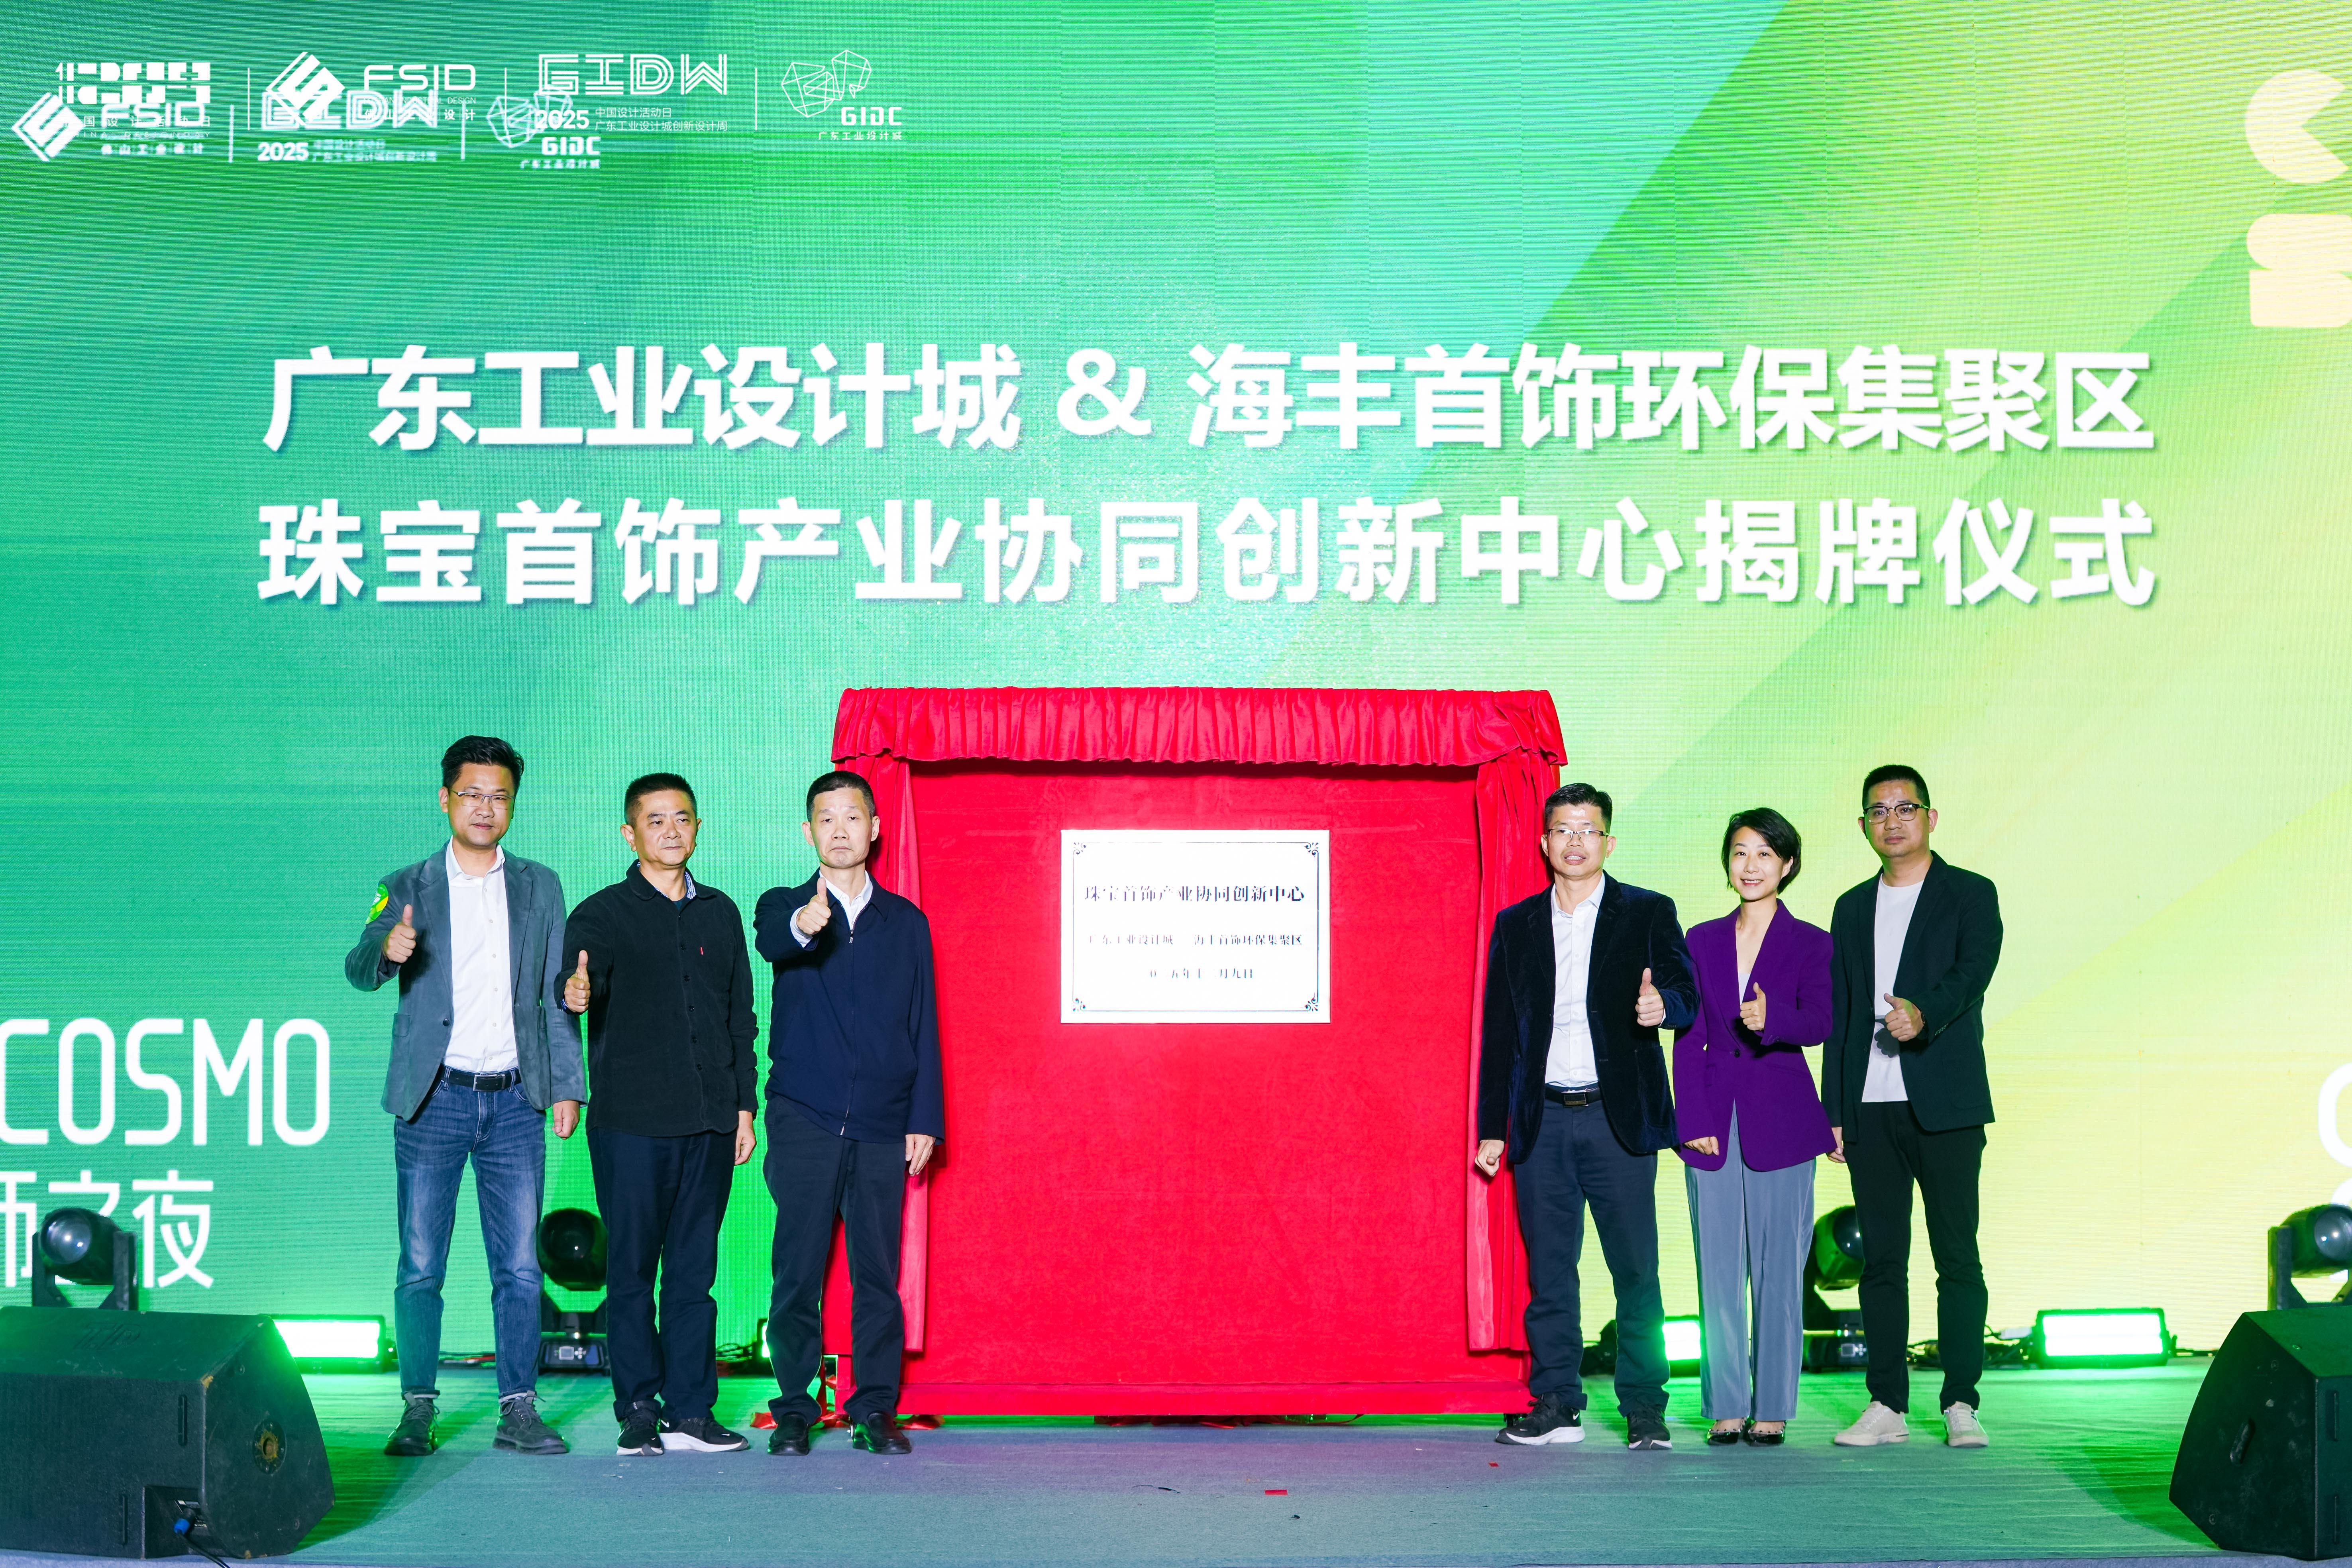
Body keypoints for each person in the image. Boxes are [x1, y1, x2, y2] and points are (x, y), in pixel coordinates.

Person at [344, 735, 581, 1459]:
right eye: (472, 794)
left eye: (499, 797)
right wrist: (386, 953)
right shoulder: (404, 884)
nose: (485, 808)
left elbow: (557, 995)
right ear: (445, 799)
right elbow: (357, 967)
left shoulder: (541, 886)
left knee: (520, 1268)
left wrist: (566, 1086)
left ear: (513, 806)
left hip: (516, 1101)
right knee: (421, 1265)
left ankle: (519, 1408)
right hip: (434, 1098)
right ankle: (417, 1408)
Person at [1476, 782, 1698, 1450]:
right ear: (1544, 843)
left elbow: (1686, 994)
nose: (1575, 843)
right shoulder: (1516, 923)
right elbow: (1498, 1033)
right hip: (1541, 1120)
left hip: (1615, 1119)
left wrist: (1665, 1008)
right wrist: (1492, 1126)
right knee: (1549, 1273)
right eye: (1563, 831)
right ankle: (1557, 1403)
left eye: (1588, 830)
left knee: (1635, 1272)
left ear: (1608, 842)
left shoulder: (1647, 911)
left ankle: (1644, 1408)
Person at [564, 773, 759, 1458]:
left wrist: (744, 1108)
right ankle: (638, 1410)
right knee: (631, 1275)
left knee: (693, 1276)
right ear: (630, 834)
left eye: (682, 818)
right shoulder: (601, 913)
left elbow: (740, 1017)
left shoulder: (721, 912)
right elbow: (576, 982)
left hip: (711, 1122)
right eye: (655, 820)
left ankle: (692, 1412)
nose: (671, 830)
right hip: (632, 1126)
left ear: (698, 827)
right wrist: (574, 991)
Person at [752, 770, 944, 1458]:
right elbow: (776, 939)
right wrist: (805, 924)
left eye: (852, 817)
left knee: (877, 1276)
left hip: (883, 1124)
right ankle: (794, 1408)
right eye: (826, 818)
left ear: (875, 829)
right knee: (796, 1272)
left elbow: (924, 1023)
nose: (839, 830)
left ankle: (874, 1409)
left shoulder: (906, 923)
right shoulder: (783, 905)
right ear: (808, 832)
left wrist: (925, 1117)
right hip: (804, 1116)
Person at [1824, 765, 2003, 1449]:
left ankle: (1960, 1401)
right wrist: (1834, 1108)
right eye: (1878, 811)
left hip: (1946, 1102)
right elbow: (1842, 1013)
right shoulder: (1849, 907)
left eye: (1905, 808)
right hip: (1869, 1107)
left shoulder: (1969, 893)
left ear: (1930, 817)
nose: (1891, 821)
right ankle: (1886, 1405)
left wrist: (1922, 1013)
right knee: (1880, 1263)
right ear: (1863, 825)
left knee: (1956, 1257)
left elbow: (1972, 972)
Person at [1673, 808, 1835, 1446]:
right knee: (1717, 1272)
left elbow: (1820, 1023)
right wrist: (1692, 1118)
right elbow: (1688, 1038)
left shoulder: (1812, 942)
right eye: (1740, 852)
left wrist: (1775, 1021)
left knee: (1778, 1273)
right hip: (1713, 1122)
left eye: (1765, 854)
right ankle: (1725, 1404)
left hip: (1784, 1119)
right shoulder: (1700, 939)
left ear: (1787, 865)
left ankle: (1772, 1405)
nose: (1750, 866)